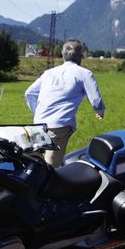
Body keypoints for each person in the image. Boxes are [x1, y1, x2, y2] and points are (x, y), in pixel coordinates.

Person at [24, 38, 105, 167]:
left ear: (63, 55)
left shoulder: (48, 73)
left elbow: (29, 93)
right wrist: (99, 111)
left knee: (38, 163)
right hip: (59, 126)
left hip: (38, 123)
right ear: (81, 57)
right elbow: (96, 100)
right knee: (51, 166)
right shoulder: (84, 73)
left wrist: (38, 112)